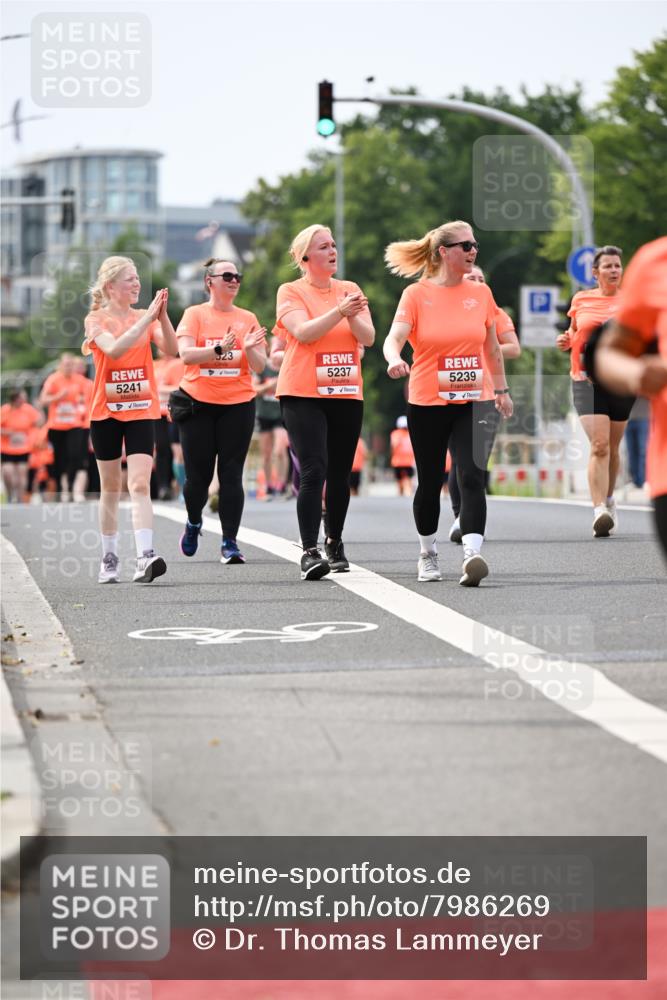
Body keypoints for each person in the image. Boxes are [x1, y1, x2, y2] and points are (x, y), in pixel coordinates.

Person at [383, 220, 513, 586]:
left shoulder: (482, 295)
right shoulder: (416, 294)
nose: (473, 251)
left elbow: (491, 348)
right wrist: (394, 358)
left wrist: (501, 391)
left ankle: (472, 554)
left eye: (475, 246)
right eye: (465, 246)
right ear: (444, 252)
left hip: (476, 397)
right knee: (429, 482)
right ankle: (427, 553)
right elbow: (394, 338)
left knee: (472, 475)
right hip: (428, 399)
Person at [272, 224, 375, 580]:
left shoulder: (350, 290)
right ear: (305, 257)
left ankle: (335, 540)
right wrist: (340, 313)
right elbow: (303, 333)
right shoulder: (291, 290)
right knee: (314, 468)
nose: (333, 250)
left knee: (340, 473)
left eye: (333, 245)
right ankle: (310, 550)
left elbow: (369, 336)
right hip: (302, 392)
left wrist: (350, 313)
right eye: (323, 246)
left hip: (345, 389)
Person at [83, 255, 178, 583]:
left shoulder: (145, 317)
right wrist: (147, 318)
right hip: (106, 412)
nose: (137, 284)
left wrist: (161, 318)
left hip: (141, 410)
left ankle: (145, 556)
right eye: (130, 279)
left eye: (138, 278)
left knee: (139, 483)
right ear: (111, 286)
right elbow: (114, 350)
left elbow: (172, 349)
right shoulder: (96, 319)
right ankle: (109, 558)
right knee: (111, 487)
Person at [176, 258, 266, 564]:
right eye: (227, 275)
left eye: (237, 276)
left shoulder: (247, 317)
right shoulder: (195, 314)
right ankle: (193, 521)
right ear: (209, 281)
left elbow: (259, 366)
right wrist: (219, 350)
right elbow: (186, 355)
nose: (234, 280)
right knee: (197, 480)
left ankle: (230, 542)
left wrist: (251, 348)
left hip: (238, 404)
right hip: (198, 404)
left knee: (231, 475)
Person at [594, 237, 667, 561]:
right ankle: (601, 504)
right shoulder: (655, 262)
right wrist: (636, 373)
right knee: (600, 445)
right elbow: (611, 351)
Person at [556, 245, 632, 537]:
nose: (614, 270)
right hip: (585, 380)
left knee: (613, 447)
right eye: (608, 266)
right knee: (599, 445)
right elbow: (575, 333)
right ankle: (599, 509)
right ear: (595, 272)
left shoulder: (631, 301)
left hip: (621, 381)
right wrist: (567, 340)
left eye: (617, 265)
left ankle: (610, 499)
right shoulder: (581, 299)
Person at [448, 264, 521, 543]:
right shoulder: (447, 307)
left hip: (487, 394)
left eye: (481, 278)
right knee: (458, 459)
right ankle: (460, 516)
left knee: (476, 460)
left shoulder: (494, 312)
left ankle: (469, 518)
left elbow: (513, 347)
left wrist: (481, 350)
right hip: (451, 391)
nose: (477, 282)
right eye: (471, 278)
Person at [39, 353, 91, 502]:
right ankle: (63, 490)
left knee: (74, 455)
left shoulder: (80, 381)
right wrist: (58, 397)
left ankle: (72, 487)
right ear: (60, 365)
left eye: (71, 364)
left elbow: (87, 398)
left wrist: (82, 402)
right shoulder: (53, 379)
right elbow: (43, 400)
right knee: (60, 458)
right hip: (56, 426)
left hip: (75, 425)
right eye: (66, 364)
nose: (69, 367)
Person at [254, 363, 289, 499]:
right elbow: (254, 389)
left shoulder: (286, 366)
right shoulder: (263, 368)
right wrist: (269, 386)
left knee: (279, 450)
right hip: (264, 414)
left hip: (281, 414)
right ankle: (269, 486)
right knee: (266, 454)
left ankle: (282, 484)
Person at [1, 390, 42, 502]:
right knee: (8, 473)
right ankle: (10, 494)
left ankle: (20, 499)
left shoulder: (28, 409)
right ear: (14, 399)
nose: (23, 400)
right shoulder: (5, 410)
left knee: (21, 474)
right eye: (21, 398)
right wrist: (9, 432)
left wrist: (39, 408)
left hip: (24, 448)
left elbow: (39, 422)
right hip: (7, 448)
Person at [624, 396, 649, 489]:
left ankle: (644, 480)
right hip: (628, 418)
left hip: (644, 417)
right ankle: (635, 481)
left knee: (643, 450)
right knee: (631, 451)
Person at [390, 416, 415, 496]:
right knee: (408, 479)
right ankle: (409, 493)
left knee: (399, 480)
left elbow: (393, 446)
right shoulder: (411, 433)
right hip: (409, 461)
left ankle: (400, 494)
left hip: (397, 461)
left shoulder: (395, 434)